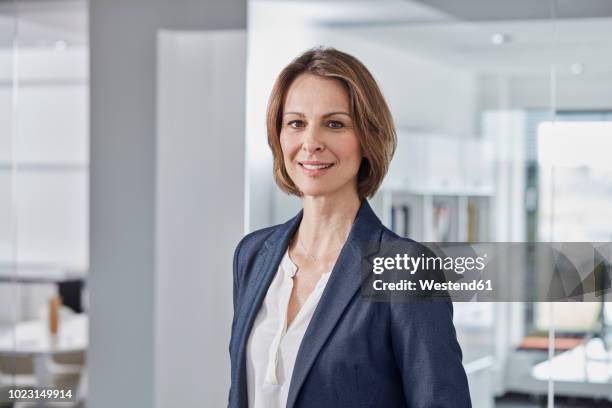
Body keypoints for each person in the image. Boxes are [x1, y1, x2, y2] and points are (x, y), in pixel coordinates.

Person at [228, 47, 471, 408]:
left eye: (335, 123)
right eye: (296, 123)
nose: (311, 142)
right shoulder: (253, 254)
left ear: (368, 140)